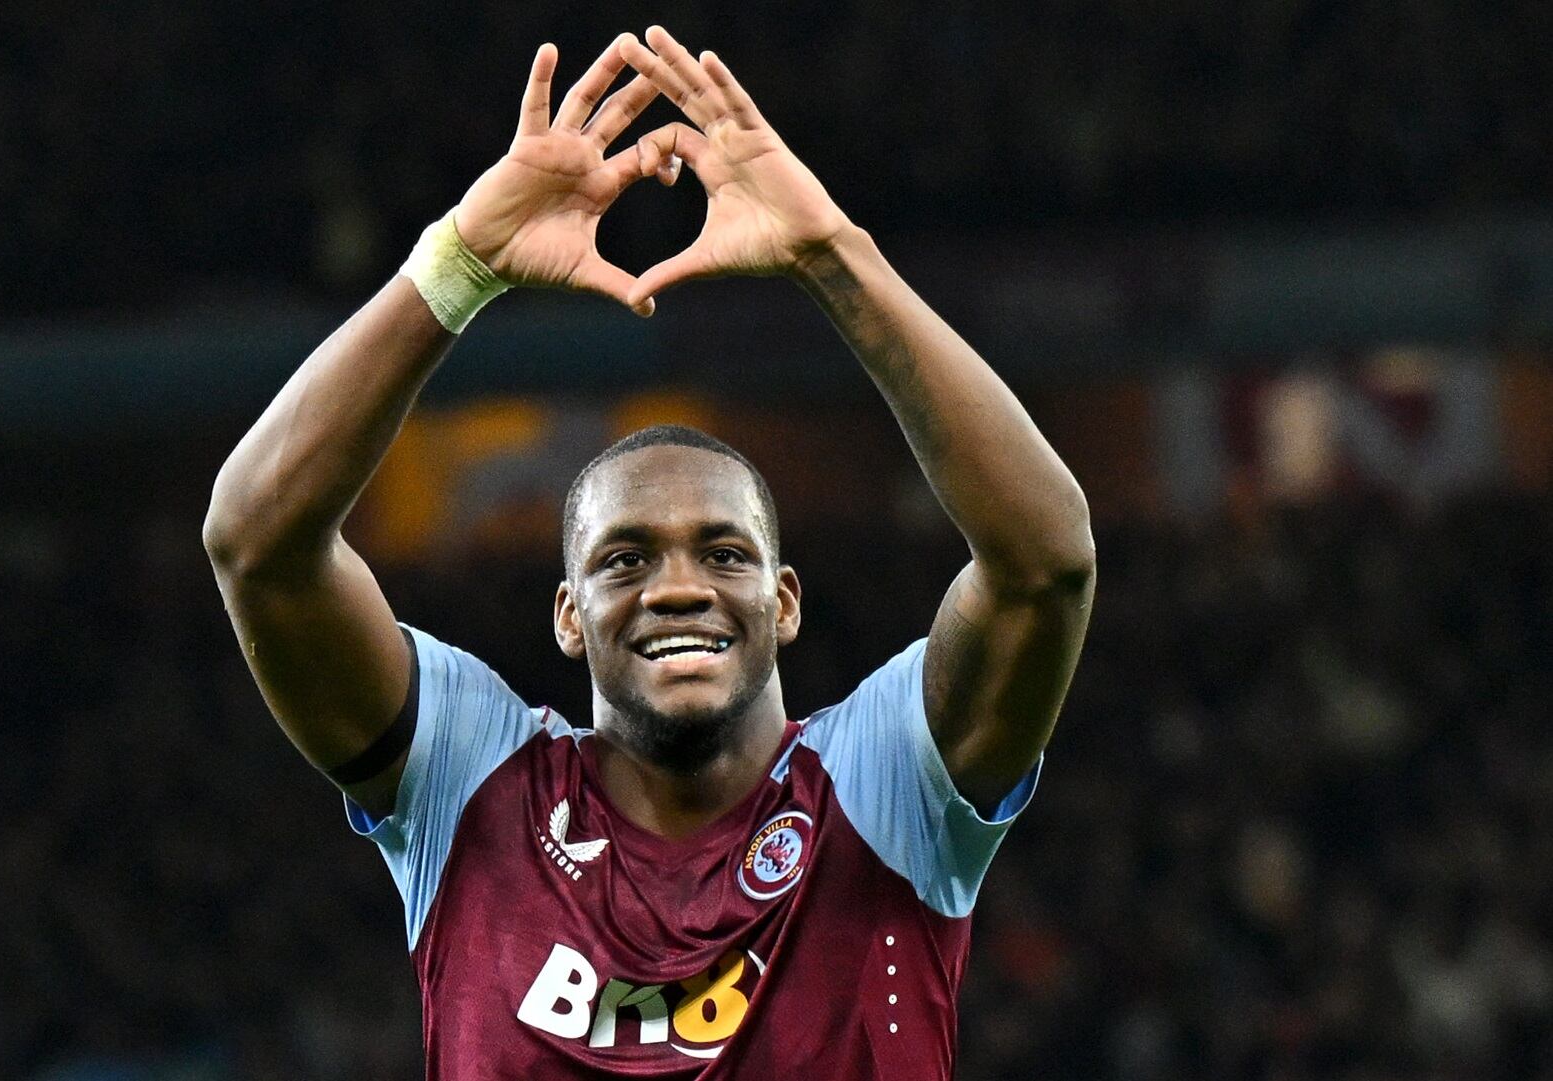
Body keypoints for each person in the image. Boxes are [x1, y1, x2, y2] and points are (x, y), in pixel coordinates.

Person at [203, 25, 1094, 1080]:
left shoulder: (885, 778)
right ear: (569, 612)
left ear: (785, 599)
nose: (679, 586)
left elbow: (1046, 561)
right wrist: (457, 267)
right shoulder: (469, 778)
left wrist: (835, 258)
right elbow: (256, 543)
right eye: (624, 561)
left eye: (724, 553)